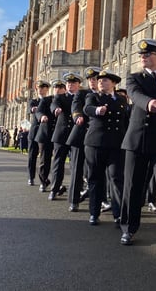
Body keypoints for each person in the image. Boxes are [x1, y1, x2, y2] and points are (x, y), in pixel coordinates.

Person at [120, 39, 156, 245]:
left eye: (148, 54)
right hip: (138, 140)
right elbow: (135, 95)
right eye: (142, 55)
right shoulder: (134, 78)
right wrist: (148, 103)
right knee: (133, 186)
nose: (143, 57)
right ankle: (128, 228)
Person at [83, 70, 129, 226]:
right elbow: (87, 108)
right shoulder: (93, 96)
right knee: (95, 178)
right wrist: (97, 110)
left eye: (105, 80)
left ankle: (118, 214)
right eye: (100, 80)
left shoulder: (122, 99)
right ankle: (94, 213)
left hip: (116, 144)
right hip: (96, 143)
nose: (101, 82)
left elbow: (126, 120)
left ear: (114, 84)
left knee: (117, 178)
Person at [66, 67, 100, 212]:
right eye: (90, 79)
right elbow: (75, 106)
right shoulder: (82, 93)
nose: (93, 82)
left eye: (95, 79)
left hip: (97, 138)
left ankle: (98, 200)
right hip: (81, 135)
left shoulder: (105, 95)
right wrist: (77, 116)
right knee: (77, 170)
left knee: (96, 170)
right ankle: (73, 200)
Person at [48, 72, 82, 200]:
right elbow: (54, 104)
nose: (70, 85)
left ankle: (76, 192)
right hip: (61, 134)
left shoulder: (82, 97)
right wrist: (55, 109)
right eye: (68, 83)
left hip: (76, 134)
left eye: (73, 83)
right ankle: (54, 188)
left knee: (76, 165)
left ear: (78, 85)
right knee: (57, 163)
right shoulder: (60, 97)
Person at [36, 80, 63, 192]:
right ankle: (43, 181)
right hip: (45, 133)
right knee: (44, 160)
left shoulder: (66, 100)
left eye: (61, 87)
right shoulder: (47, 100)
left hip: (60, 134)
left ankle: (57, 183)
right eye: (56, 86)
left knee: (58, 160)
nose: (58, 89)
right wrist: (41, 116)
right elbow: (39, 111)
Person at [27, 80, 50, 185]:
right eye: (39, 88)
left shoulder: (50, 101)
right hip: (35, 131)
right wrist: (33, 109)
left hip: (44, 132)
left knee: (44, 157)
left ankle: (43, 179)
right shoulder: (34, 101)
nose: (40, 90)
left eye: (43, 88)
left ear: (47, 89)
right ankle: (31, 177)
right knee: (32, 155)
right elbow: (30, 109)